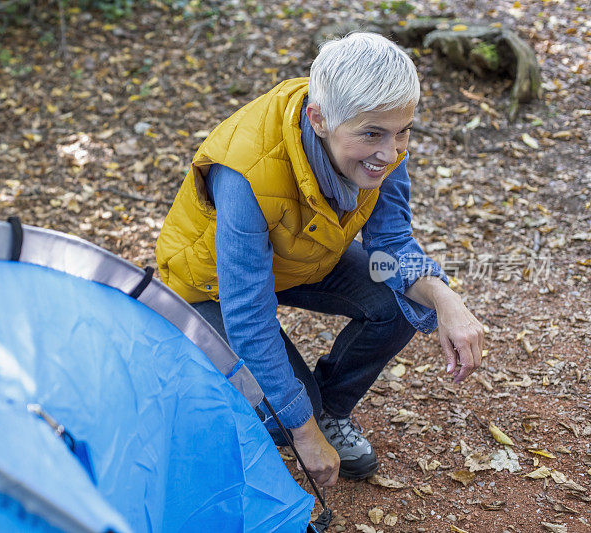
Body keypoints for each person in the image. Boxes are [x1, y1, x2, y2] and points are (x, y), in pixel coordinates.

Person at [155, 32, 484, 488]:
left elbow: (390, 245)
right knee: (287, 416)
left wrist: (444, 297)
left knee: (402, 303)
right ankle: (294, 421)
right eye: (372, 134)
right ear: (320, 119)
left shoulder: (379, 148)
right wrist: (302, 431)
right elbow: (248, 313)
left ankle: (329, 412)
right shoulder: (246, 173)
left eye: (402, 132)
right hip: (209, 285)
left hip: (299, 257)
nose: (389, 153)